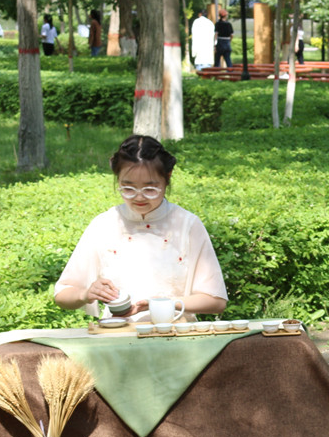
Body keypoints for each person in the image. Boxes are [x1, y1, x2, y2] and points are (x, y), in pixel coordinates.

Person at [54, 135, 228, 322]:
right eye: (128, 188)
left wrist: (165, 303)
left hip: (177, 337)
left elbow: (215, 301)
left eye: (150, 189)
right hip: (116, 337)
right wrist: (85, 294)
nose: (139, 198)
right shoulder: (104, 224)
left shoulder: (187, 224)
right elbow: (63, 295)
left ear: (167, 179)